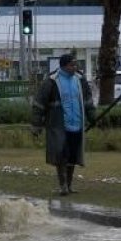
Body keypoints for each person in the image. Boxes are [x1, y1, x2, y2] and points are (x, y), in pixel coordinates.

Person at [31, 53, 96, 196]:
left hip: (77, 125)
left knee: (72, 157)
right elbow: (39, 104)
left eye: (75, 64)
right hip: (58, 126)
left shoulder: (80, 80)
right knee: (61, 156)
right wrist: (36, 125)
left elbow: (88, 101)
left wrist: (93, 117)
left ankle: (70, 185)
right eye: (72, 65)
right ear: (64, 66)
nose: (75, 67)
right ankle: (63, 186)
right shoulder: (51, 81)